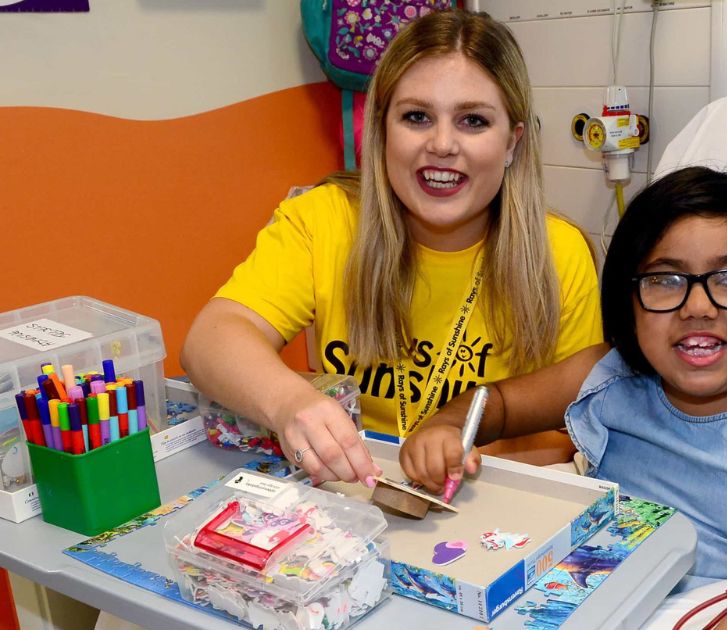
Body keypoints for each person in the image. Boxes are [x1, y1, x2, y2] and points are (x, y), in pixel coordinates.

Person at [401, 166, 727, 626]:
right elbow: (497, 406)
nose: (698, 307)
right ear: (628, 300)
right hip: (569, 597)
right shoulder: (606, 375)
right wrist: (447, 427)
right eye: (665, 280)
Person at [180, 10, 602, 487]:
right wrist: (288, 402)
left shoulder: (558, 252)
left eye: (473, 121)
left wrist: (461, 481)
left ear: (512, 143)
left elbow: (568, 430)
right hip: (349, 492)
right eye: (417, 117)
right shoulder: (325, 219)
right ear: (382, 132)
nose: (442, 144)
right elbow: (210, 340)